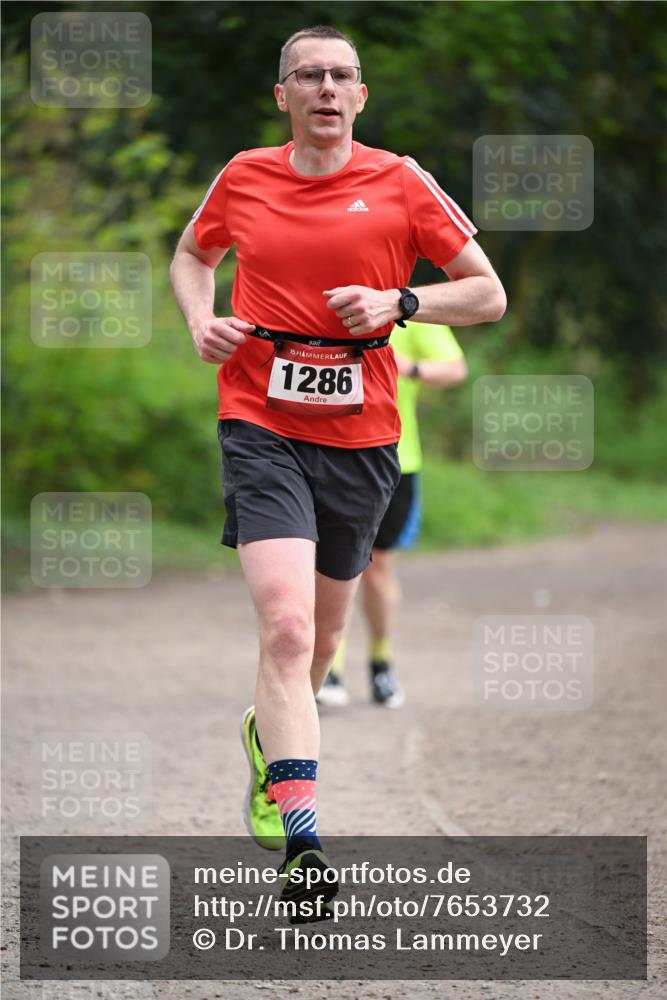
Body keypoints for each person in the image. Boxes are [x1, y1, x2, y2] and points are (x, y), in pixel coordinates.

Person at [170, 24, 505, 920]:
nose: (326, 86)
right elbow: (191, 255)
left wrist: (402, 301)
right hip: (259, 419)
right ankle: (304, 837)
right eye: (308, 75)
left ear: (361, 96)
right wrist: (202, 319)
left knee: (320, 643)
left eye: (342, 75)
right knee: (283, 632)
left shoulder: (401, 181)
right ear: (282, 96)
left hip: (363, 438)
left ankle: (263, 741)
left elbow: (487, 291)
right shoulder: (243, 175)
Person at [317, 321, 467, 710]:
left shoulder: (408, 308)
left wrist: (409, 367)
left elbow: (455, 367)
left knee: (378, 566)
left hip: (397, 459)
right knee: (330, 563)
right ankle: (329, 668)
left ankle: (381, 663)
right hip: (329, 454)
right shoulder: (325, 300)